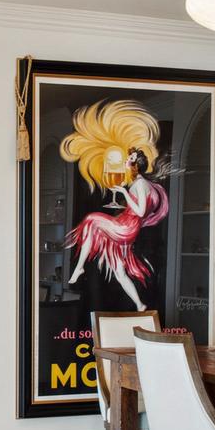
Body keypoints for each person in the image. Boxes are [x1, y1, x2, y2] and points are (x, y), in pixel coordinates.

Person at [60, 100, 169, 310]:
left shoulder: (139, 184)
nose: (126, 163)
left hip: (126, 228)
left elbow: (139, 211)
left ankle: (80, 267)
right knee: (119, 271)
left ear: (135, 164)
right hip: (128, 226)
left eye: (129, 161)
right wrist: (124, 197)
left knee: (92, 220)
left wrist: (123, 194)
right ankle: (139, 304)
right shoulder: (141, 184)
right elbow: (138, 211)